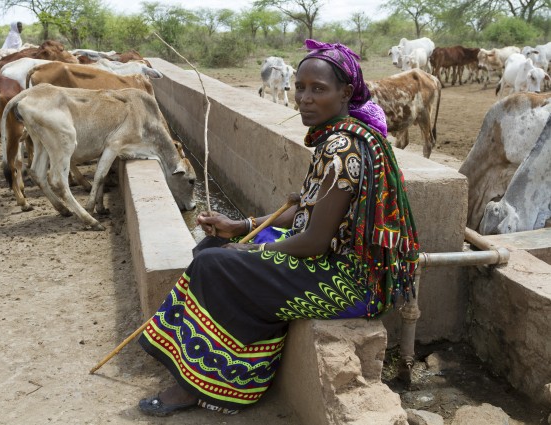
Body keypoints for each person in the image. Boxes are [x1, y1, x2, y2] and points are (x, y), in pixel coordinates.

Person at [137, 38, 420, 417]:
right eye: (300, 87)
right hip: (333, 259)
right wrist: (239, 226)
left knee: (214, 264)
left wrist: (251, 250)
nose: (303, 97)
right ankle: (221, 363)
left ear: (345, 93)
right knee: (211, 249)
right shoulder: (337, 138)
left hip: (352, 282)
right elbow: (304, 210)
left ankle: (217, 386)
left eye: (318, 89)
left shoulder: (343, 149)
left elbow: (316, 240)